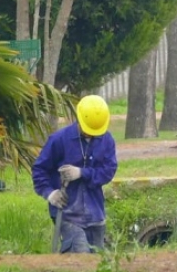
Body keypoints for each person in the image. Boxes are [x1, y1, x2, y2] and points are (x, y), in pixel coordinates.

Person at [32, 94, 118, 253]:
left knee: (98, 265)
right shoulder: (59, 140)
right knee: (80, 257)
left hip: (95, 214)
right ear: (79, 120)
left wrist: (82, 173)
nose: (92, 135)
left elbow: (108, 170)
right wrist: (50, 193)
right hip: (67, 213)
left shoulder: (106, 140)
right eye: (88, 131)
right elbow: (39, 169)